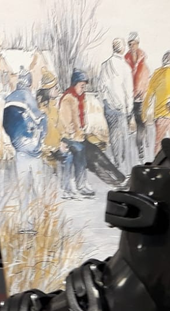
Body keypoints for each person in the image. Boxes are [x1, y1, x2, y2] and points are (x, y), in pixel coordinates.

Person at [2, 70, 46, 231]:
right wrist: (39, 138)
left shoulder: (9, 99)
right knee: (38, 187)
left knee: (23, 188)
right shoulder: (27, 96)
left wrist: (16, 142)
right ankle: (40, 222)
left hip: (19, 150)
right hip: (32, 150)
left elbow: (5, 125)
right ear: (29, 82)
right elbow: (38, 118)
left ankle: (24, 223)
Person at [98, 38, 135, 171]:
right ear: (122, 49)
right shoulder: (125, 68)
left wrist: (104, 102)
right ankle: (126, 167)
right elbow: (129, 91)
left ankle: (117, 162)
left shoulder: (104, 65)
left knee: (113, 136)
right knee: (124, 137)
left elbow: (100, 87)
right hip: (121, 108)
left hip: (108, 107)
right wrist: (130, 109)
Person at [58, 68, 95, 198]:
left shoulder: (79, 98)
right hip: (68, 136)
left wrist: (83, 130)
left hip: (78, 135)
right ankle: (79, 184)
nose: (83, 89)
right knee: (80, 150)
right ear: (75, 85)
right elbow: (65, 121)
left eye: (84, 87)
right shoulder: (68, 99)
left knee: (85, 151)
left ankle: (82, 183)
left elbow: (81, 118)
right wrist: (73, 134)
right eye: (81, 86)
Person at [142, 50, 170, 155]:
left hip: (160, 114)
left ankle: (157, 162)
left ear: (163, 61)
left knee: (158, 143)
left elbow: (149, 95)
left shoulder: (156, 74)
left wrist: (144, 113)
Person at [125, 32, 151, 162]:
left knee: (140, 123)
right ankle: (125, 153)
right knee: (126, 123)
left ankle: (140, 149)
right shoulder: (125, 61)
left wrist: (143, 93)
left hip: (140, 99)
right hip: (128, 98)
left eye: (133, 44)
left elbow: (146, 80)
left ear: (138, 44)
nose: (131, 46)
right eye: (129, 44)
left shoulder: (143, 62)